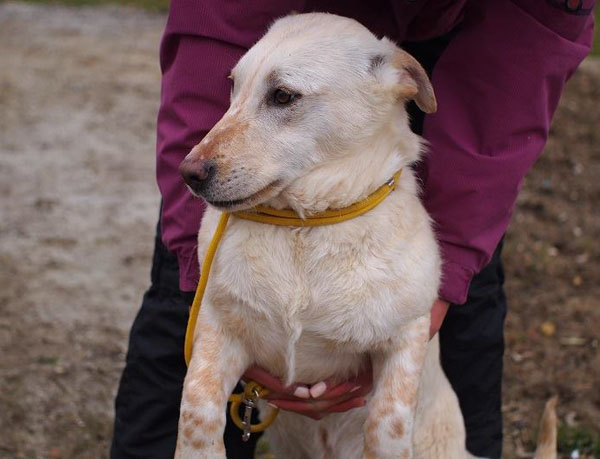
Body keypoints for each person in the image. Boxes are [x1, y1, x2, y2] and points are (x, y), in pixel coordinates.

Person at [110, 1, 595, 458]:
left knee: (459, 292)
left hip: (460, 43)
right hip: (294, 31)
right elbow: (215, 24)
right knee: (182, 306)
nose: (198, 162)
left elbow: (520, 58)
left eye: (283, 97)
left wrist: (452, 263)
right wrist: (199, 270)